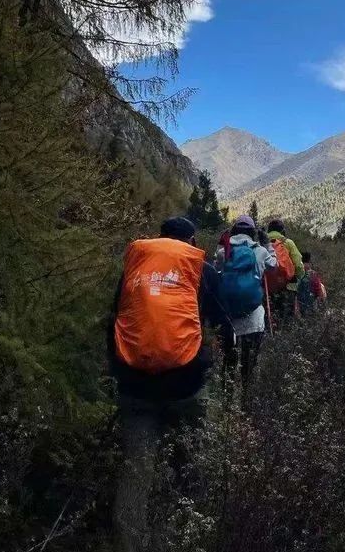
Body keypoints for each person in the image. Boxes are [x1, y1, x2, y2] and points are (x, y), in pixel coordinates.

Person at [109, 216, 233, 552]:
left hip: (135, 384)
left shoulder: (135, 268)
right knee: (192, 460)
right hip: (186, 385)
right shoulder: (200, 269)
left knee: (136, 469)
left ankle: (128, 543)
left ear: (159, 237)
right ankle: (185, 536)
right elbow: (223, 324)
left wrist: (119, 372)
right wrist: (227, 369)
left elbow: (115, 321)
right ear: (191, 241)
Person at [220, 215, 277, 394]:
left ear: (234, 230)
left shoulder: (224, 251)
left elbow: (217, 271)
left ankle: (227, 398)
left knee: (229, 359)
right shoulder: (260, 251)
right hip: (253, 314)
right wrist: (268, 245)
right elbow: (274, 266)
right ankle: (247, 398)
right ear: (253, 232)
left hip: (229, 314)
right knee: (249, 361)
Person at [267, 218, 304, 325]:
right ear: (282, 230)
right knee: (287, 319)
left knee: (270, 317)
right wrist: (297, 278)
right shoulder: (287, 243)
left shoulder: (262, 243)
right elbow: (298, 264)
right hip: (288, 287)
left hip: (267, 288)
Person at [298, 251, 327, 316]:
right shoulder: (313, 273)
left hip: (299, 305)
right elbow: (319, 291)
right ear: (309, 261)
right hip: (311, 305)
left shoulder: (297, 272)